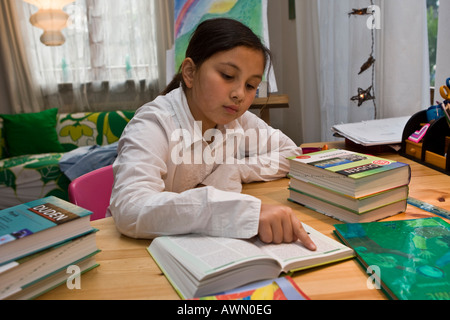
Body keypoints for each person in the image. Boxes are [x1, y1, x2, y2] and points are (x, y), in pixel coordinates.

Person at [109, 18, 316, 250]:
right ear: (189, 72)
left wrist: (235, 168)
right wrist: (236, 210)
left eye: (250, 85)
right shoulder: (154, 123)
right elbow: (131, 207)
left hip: (198, 245)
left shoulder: (236, 119)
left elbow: (290, 152)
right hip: (140, 253)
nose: (239, 94)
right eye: (228, 76)